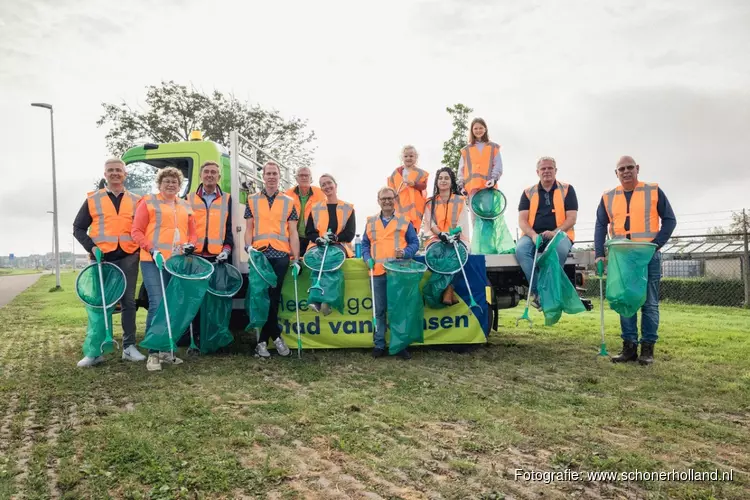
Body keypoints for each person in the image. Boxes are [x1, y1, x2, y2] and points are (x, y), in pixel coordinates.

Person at [594, 155, 677, 365]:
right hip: (622, 257)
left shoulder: (653, 190)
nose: (626, 171)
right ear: (616, 173)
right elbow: (600, 226)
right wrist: (599, 253)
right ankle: (629, 348)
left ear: (637, 169)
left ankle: (647, 349)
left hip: (648, 255)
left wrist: (656, 244)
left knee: (649, 303)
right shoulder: (608, 196)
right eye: (621, 169)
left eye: (630, 167)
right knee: (625, 300)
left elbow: (670, 220)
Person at [73, 158, 146, 367]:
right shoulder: (92, 199)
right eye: (110, 170)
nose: (115, 173)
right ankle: (95, 351)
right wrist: (92, 247)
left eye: (118, 170)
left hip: (129, 255)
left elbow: (142, 227)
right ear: (105, 174)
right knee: (99, 303)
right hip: (101, 257)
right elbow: (78, 228)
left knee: (129, 302)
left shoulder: (137, 200)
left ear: (125, 174)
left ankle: (129, 347)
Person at [131, 167, 197, 371]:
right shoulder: (148, 202)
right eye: (166, 181)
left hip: (176, 263)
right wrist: (153, 250)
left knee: (172, 305)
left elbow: (193, 233)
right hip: (153, 261)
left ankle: (166, 350)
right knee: (157, 303)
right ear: (159, 183)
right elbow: (136, 231)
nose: (171, 184)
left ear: (179, 186)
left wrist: (190, 245)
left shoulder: (185, 205)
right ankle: (153, 353)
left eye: (175, 182)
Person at [245, 161, 301, 358]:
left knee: (274, 296)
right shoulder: (251, 199)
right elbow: (249, 228)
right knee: (262, 297)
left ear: (279, 177)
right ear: (263, 176)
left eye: (274, 174)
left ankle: (262, 342)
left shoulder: (289, 201)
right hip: (260, 255)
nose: (271, 177)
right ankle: (275, 336)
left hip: (280, 255)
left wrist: (295, 257)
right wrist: (248, 248)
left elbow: (293, 232)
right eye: (268, 173)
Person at [362, 187, 420, 359]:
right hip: (377, 272)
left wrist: (406, 253)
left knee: (398, 310)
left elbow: (415, 243)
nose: (387, 201)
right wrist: (366, 258)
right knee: (379, 311)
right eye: (383, 198)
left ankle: (399, 344)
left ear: (395, 199)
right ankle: (379, 344)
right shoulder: (370, 221)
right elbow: (365, 244)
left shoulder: (405, 220)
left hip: (398, 273)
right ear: (378, 200)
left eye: (390, 198)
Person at [517, 157, 578, 309]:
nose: (546, 171)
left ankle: (550, 293)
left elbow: (572, 218)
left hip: (560, 234)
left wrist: (555, 232)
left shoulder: (567, 189)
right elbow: (522, 220)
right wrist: (532, 235)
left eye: (550, 168)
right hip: (533, 234)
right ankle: (539, 293)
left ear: (555, 171)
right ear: (537, 172)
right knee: (521, 250)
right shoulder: (527, 192)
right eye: (543, 169)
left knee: (556, 251)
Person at [186, 161, 234, 347]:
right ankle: (196, 339)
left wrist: (226, 251)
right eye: (206, 172)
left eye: (214, 172)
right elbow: (183, 227)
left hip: (217, 258)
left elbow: (229, 230)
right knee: (195, 299)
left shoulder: (227, 199)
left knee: (217, 299)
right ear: (201, 175)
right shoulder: (188, 198)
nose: (210, 175)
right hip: (195, 257)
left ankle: (216, 338)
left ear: (219, 177)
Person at [304, 173, 356, 315]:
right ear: (321, 188)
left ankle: (324, 300)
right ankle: (318, 299)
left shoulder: (348, 208)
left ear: (335, 185)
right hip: (319, 245)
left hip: (339, 245)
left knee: (331, 258)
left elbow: (350, 234)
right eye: (323, 184)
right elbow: (310, 232)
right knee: (317, 259)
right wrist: (318, 239)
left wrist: (335, 238)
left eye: (329, 183)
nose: (327, 186)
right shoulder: (315, 208)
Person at [422, 167, 471, 247]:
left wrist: (452, 235)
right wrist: (441, 234)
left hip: (458, 239)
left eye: (446, 178)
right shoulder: (429, 203)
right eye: (440, 178)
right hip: (437, 239)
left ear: (451, 182)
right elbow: (431, 224)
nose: (443, 181)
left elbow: (462, 223)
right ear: (436, 182)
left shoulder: (460, 200)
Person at [457, 118, 503, 200]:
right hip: (471, 188)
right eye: (475, 128)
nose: (478, 130)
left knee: (487, 212)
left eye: (481, 128)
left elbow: (498, 165)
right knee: (474, 213)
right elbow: (461, 169)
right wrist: (461, 186)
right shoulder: (466, 150)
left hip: (488, 187)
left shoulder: (493, 147)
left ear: (485, 129)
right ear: (472, 130)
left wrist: (494, 179)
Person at [387, 145, 429, 231]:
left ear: (416, 157)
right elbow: (390, 188)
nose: (408, 158)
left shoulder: (420, 173)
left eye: (411, 156)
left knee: (411, 232)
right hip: (400, 207)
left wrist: (414, 184)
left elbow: (423, 186)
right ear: (402, 158)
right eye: (406, 156)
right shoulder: (396, 172)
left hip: (414, 210)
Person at [285, 167, 325, 258]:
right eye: (301, 175)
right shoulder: (287, 194)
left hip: (313, 237)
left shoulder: (321, 194)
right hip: (293, 238)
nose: (304, 178)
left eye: (306, 175)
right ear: (296, 179)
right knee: (293, 262)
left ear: (311, 179)